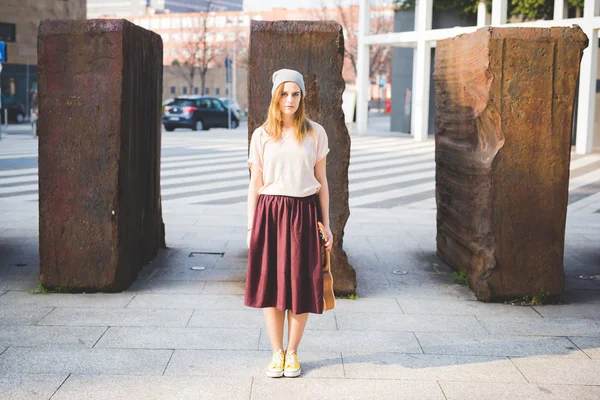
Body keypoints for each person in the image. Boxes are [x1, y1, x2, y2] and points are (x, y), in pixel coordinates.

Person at [245, 68, 333, 378]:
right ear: (275, 96)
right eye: (284, 93)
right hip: (269, 214)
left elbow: (321, 182)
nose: (290, 99)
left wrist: (327, 225)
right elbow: (255, 183)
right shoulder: (262, 135)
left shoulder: (315, 133)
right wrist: (250, 227)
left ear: (302, 97)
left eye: (295, 93)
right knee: (271, 284)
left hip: (305, 213)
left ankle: (293, 352)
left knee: (301, 284)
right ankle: (276, 352)